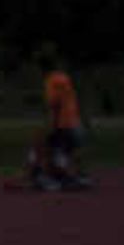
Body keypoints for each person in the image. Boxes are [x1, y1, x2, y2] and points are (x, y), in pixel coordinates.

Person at [31, 47, 91, 190]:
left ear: (41, 67)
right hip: (74, 122)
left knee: (41, 146)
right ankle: (78, 177)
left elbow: (55, 104)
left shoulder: (51, 81)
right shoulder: (64, 77)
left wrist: (51, 125)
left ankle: (48, 177)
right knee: (64, 150)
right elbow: (71, 100)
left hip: (63, 124)